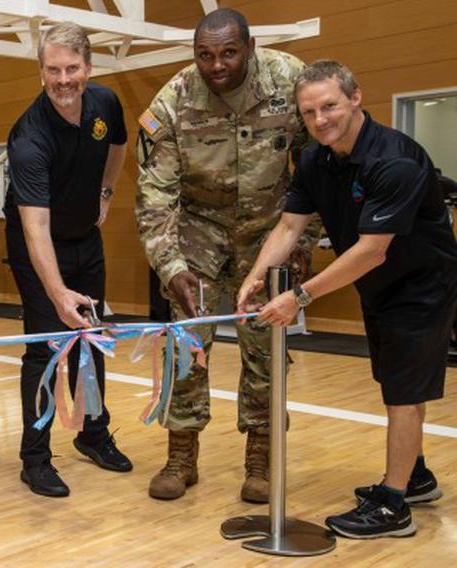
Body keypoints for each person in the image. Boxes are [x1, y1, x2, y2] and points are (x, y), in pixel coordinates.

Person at [238, 59, 456, 539]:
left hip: (421, 287)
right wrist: (256, 274)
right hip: (380, 286)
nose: (320, 120)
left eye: (330, 106)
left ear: (356, 98)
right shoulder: (317, 159)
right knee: (393, 383)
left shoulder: (393, 161)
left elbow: (372, 250)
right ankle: (415, 478)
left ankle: (394, 508)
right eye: (309, 111)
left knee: (404, 395)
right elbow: (290, 225)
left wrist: (299, 296)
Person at [135, 8, 312, 503]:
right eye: (205, 55)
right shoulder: (172, 101)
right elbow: (154, 196)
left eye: (229, 52)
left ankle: (260, 458)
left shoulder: (290, 80)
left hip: (270, 234)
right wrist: (170, 266)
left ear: (250, 47)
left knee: (267, 350)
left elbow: (316, 166)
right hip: (199, 233)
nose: (217, 65)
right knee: (186, 346)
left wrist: (304, 238)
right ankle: (181, 455)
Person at [4, 22, 131, 499]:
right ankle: (34, 458)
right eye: (53, 70)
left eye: (72, 68)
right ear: (40, 73)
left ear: (88, 67)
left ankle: (93, 434)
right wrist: (57, 294)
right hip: (38, 249)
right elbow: (35, 229)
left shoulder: (105, 103)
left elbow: (118, 145)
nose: (63, 80)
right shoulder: (29, 138)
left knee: (92, 341)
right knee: (45, 350)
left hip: (85, 240)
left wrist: (106, 193)